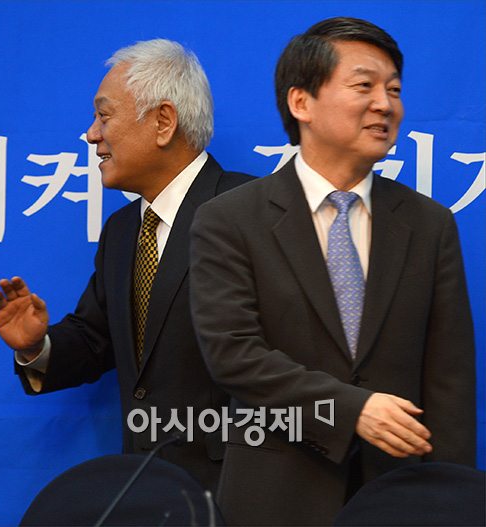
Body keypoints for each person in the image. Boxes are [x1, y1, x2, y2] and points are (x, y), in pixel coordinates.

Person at [189, 17, 476, 525]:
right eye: (364, 86)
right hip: (276, 494)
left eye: (394, 90)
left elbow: (449, 382)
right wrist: (351, 409)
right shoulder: (230, 219)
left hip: (401, 496)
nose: (384, 104)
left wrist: (457, 501)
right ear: (301, 103)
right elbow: (234, 355)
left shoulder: (429, 224)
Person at [0, 39, 252, 493]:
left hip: (238, 488)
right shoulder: (124, 230)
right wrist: (35, 347)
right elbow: (96, 339)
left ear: (163, 121)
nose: (92, 135)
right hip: (146, 488)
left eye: (104, 116)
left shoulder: (251, 210)